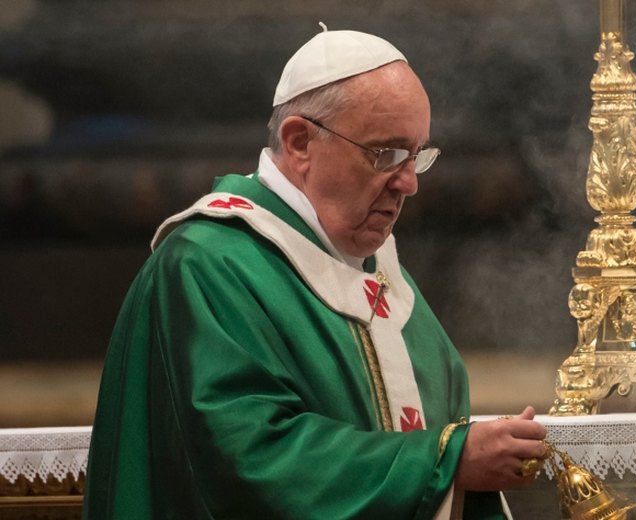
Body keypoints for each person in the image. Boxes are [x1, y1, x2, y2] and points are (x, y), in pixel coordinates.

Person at [83, 25, 547, 520]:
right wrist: (448, 459)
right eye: (385, 154)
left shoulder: (379, 272)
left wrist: (470, 454)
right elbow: (249, 461)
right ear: (300, 142)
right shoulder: (209, 266)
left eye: (417, 156)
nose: (409, 183)